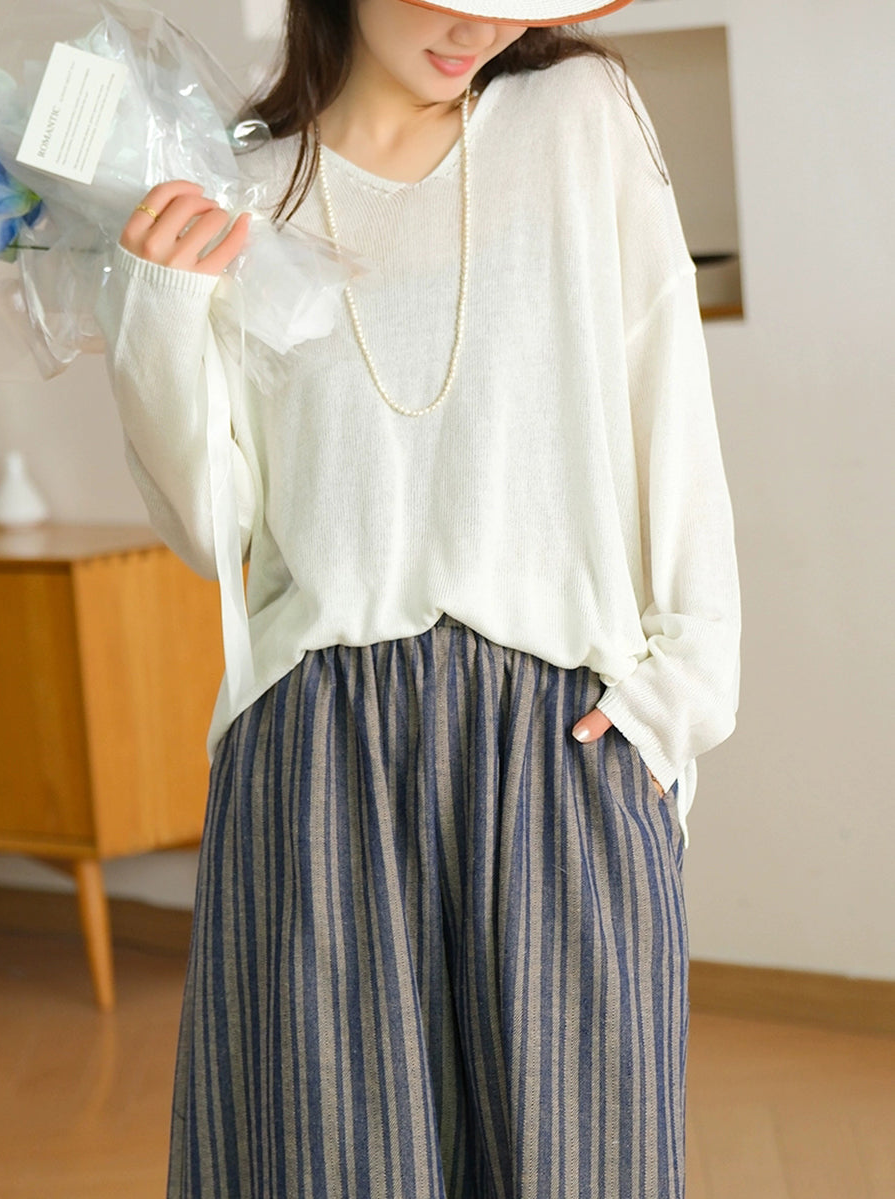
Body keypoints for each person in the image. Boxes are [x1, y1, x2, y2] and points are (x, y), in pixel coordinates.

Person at [96, 0, 740, 1195]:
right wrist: (156, 309)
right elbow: (215, 529)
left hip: (559, 746)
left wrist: (676, 704)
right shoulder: (243, 186)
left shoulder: (579, 117)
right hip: (318, 759)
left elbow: (670, 398)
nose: (479, 24)